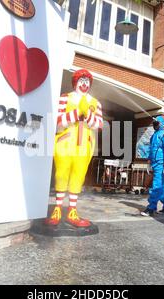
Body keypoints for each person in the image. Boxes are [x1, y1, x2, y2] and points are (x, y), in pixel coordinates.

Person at [45, 69, 103, 227]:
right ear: (75, 82)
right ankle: (57, 209)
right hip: (65, 142)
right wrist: (77, 114)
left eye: (87, 82)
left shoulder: (95, 102)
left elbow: (99, 124)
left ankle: (72, 211)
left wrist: (88, 115)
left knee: (78, 176)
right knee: (62, 174)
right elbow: (56, 122)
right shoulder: (65, 98)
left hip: (85, 145)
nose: (84, 84)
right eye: (81, 81)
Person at [141, 116, 164, 216]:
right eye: (154, 123)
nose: (154, 125)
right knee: (162, 186)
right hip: (156, 164)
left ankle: (151, 208)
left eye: (156, 123)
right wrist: (149, 161)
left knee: (157, 185)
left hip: (162, 164)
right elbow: (151, 150)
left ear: (161, 124)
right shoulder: (154, 136)